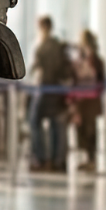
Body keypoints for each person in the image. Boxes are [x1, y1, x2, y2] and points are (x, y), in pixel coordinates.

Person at [28, 14, 72, 172]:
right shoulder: (58, 45)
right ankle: (57, 161)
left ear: (43, 27)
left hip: (44, 90)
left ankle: (41, 158)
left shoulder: (43, 46)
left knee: (34, 122)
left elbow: (36, 68)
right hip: (57, 90)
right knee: (56, 126)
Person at [71, 29, 105, 171]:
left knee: (90, 129)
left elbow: (101, 79)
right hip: (81, 99)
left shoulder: (96, 60)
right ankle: (86, 158)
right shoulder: (80, 58)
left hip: (91, 99)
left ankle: (92, 158)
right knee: (81, 128)